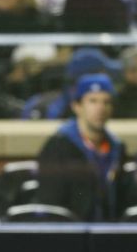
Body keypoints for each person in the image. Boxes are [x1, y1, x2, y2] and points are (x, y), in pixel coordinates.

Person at [35, 73, 130, 221]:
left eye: (106, 102)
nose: (100, 108)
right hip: (71, 230)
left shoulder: (116, 148)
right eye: (93, 101)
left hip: (109, 230)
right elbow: (51, 204)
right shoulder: (59, 146)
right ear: (77, 106)